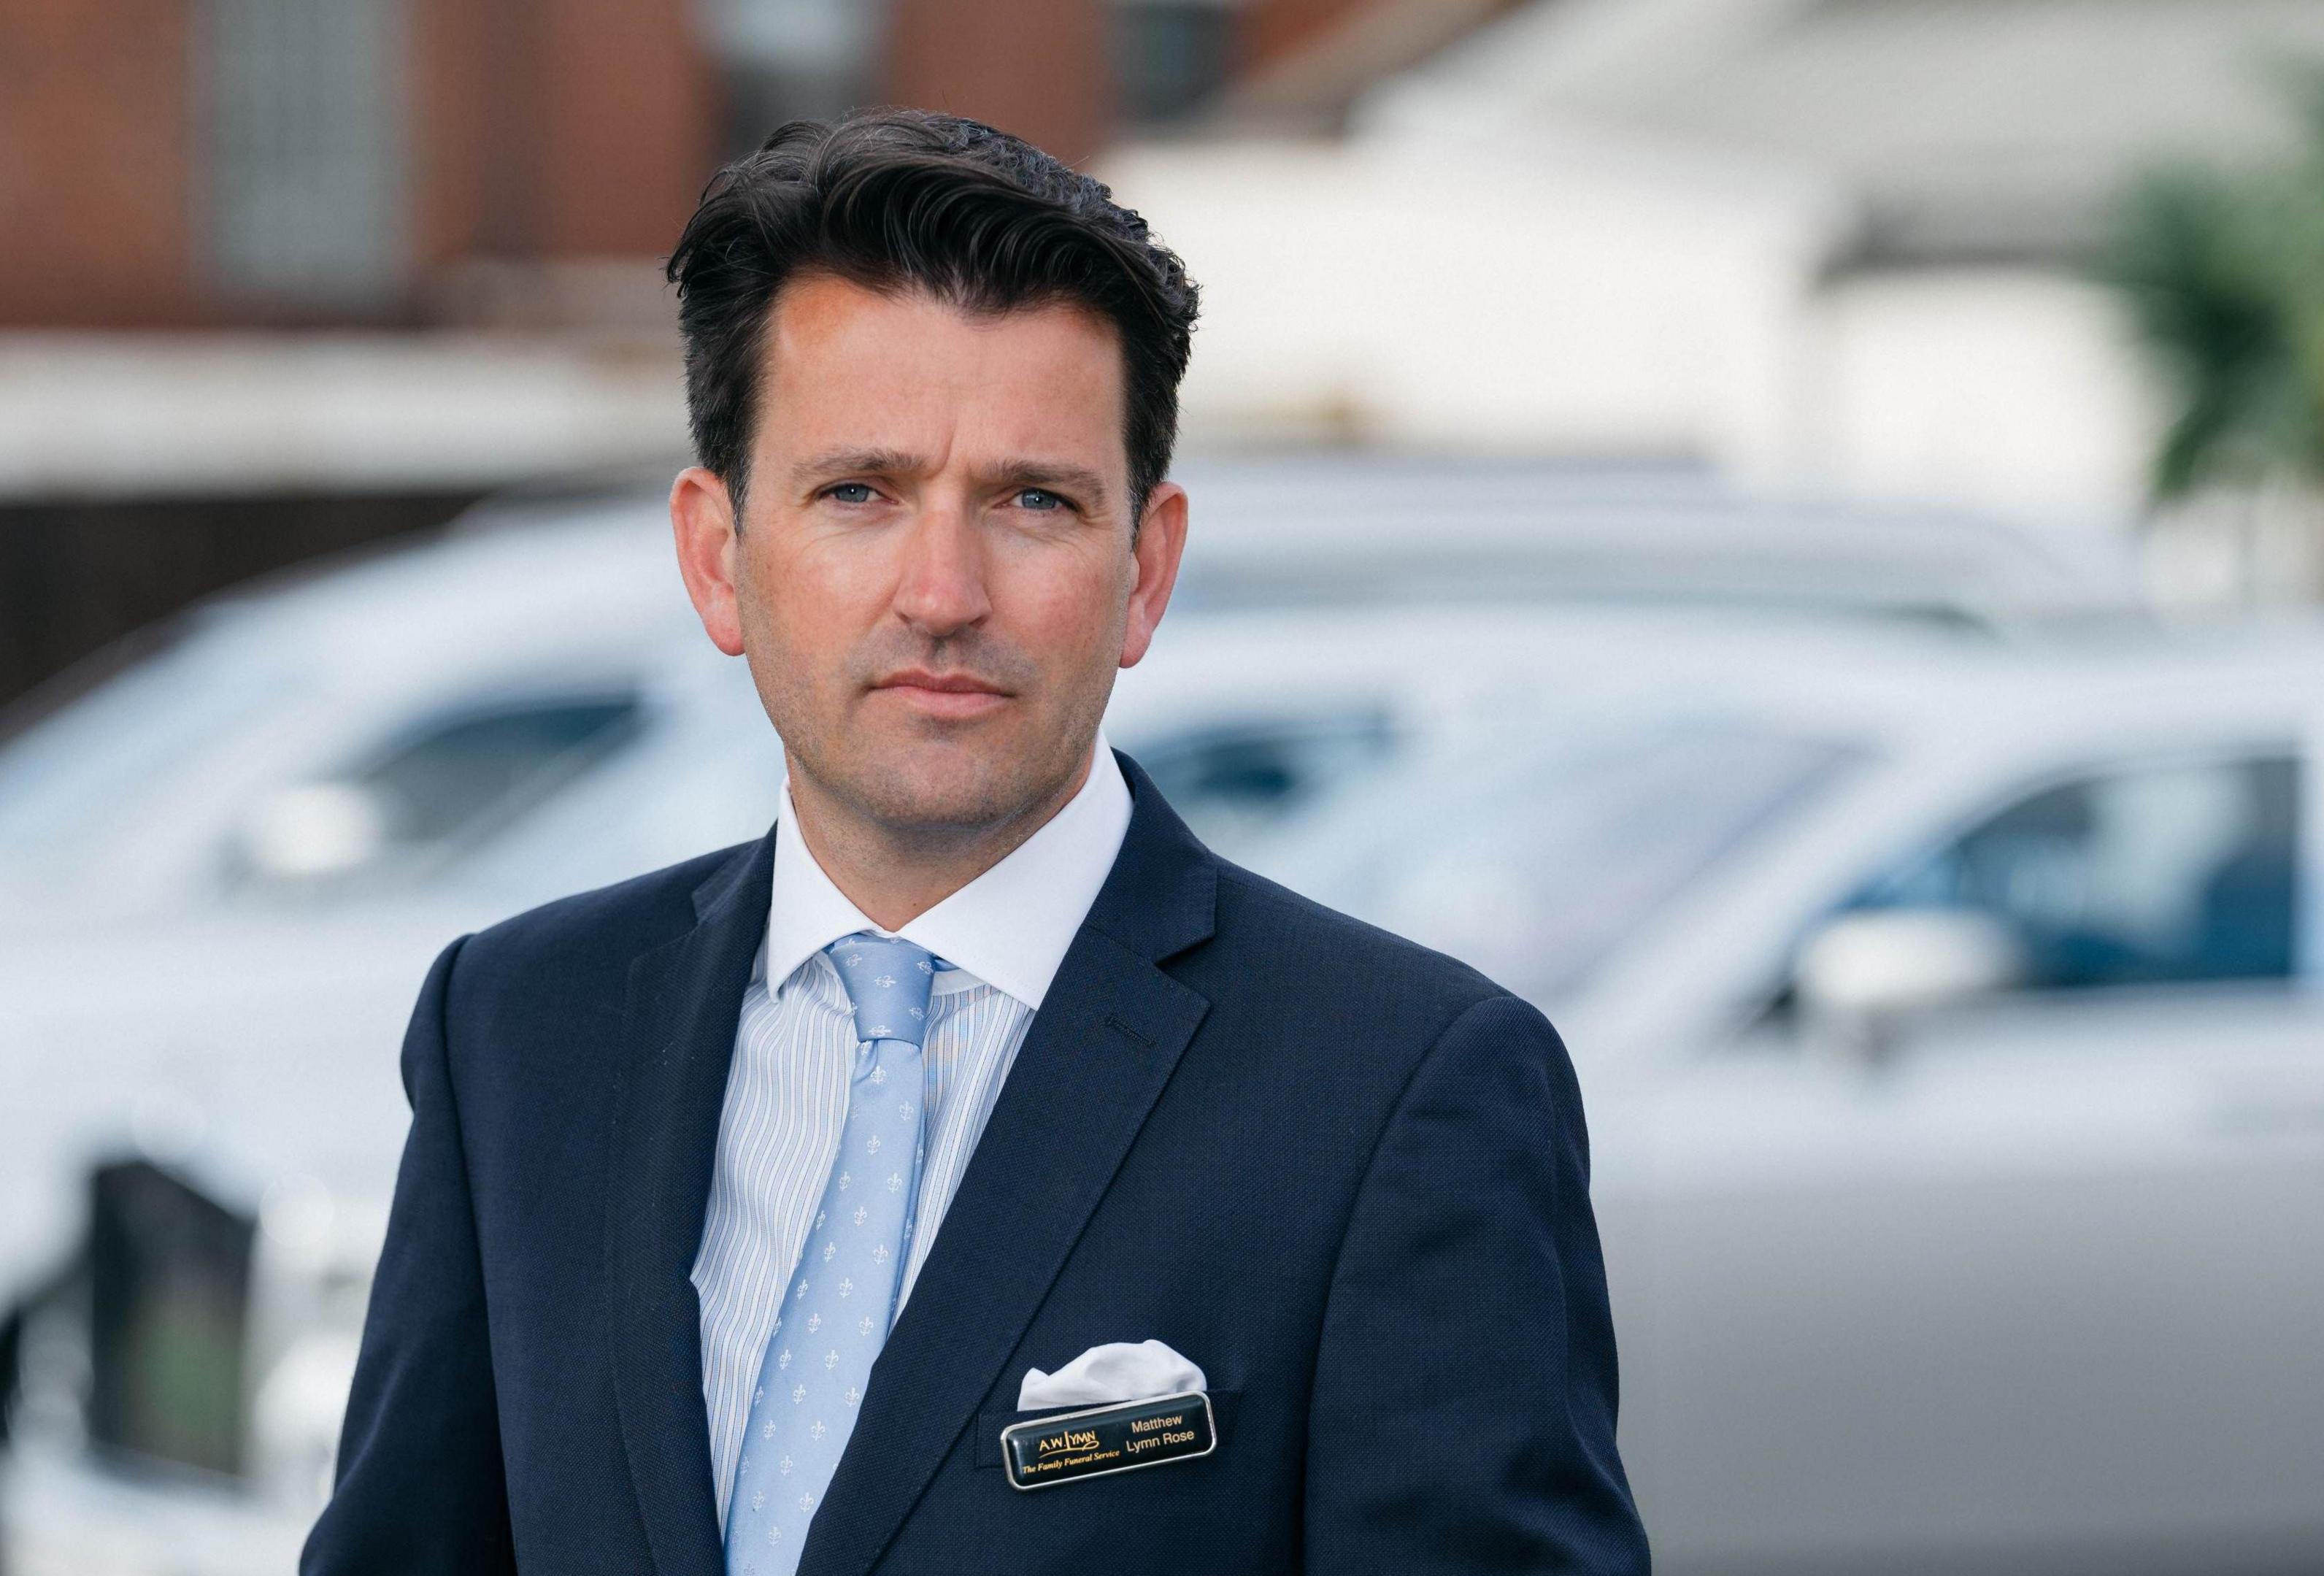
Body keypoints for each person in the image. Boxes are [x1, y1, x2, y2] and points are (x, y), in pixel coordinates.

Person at [301, 109, 1644, 1576]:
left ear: (1146, 571)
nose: (943, 590)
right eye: (860, 492)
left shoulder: (1402, 1092)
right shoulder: (521, 1032)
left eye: (1032, 501)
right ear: (717, 556)